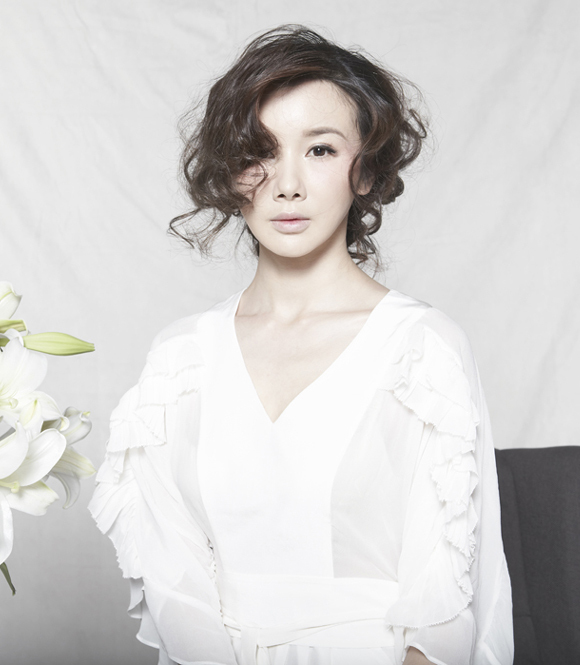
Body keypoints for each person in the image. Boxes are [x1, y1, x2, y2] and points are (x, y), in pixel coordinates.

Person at [89, 25, 514, 665]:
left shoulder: (421, 351)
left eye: (319, 150)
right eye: (259, 152)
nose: (287, 184)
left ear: (365, 169)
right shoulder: (181, 361)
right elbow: (176, 589)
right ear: (231, 173)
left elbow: (444, 609)